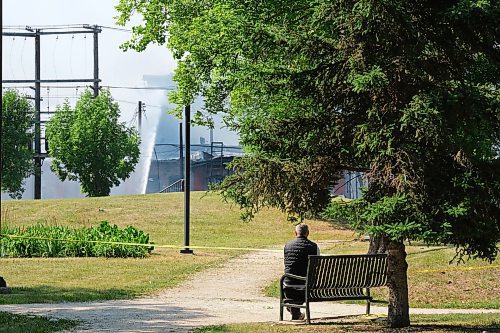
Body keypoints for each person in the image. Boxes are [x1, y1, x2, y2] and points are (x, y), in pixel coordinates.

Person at [283, 223, 319, 320]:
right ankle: (295, 312)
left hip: (289, 285)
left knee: (287, 284)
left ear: (295, 233)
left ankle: (294, 311)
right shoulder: (314, 247)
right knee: (302, 284)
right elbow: (317, 266)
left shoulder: (288, 245)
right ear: (308, 233)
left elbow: (287, 265)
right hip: (306, 286)